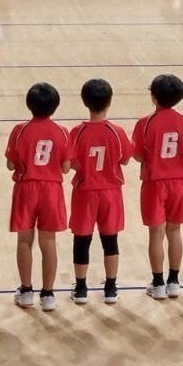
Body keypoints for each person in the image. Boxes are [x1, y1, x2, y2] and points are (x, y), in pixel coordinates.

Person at [64, 78, 133, 306]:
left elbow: (70, 163)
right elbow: (125, 159)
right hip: (111, 192)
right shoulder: (117, 132)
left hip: (85, 192)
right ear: (109, 102)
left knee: (82, 240)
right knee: (110, 239)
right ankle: (111, 288)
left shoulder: (77, 132)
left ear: (85, 102)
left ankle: (81, 288)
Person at [132, 73, 183, 300]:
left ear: (153, 96)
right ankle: (174, 281)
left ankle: (158, 283)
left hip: (155, 184)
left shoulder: (145, 123)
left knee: (156, 233)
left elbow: (138, 156)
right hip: (180, 183)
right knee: (175, 231)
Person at [6, 82, 69, 311]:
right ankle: (48, 294)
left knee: (24, 240)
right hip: (51, 189)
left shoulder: (20, 130)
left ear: (29, 104)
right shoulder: (62, 131)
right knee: (49, 241)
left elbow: (10, 164)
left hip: (26, 188)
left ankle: (26, 291)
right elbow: (66, 168)